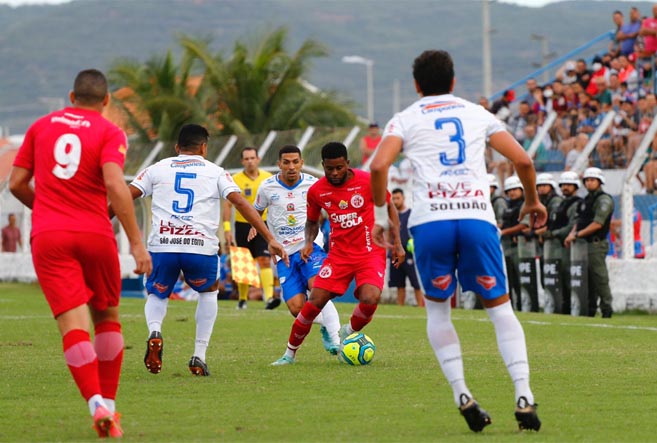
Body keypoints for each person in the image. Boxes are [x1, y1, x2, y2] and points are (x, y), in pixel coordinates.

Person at [369, 50, 546, 433]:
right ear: (453, 81)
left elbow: (379, 166)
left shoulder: (405, 119)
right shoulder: (477, 113)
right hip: (476, 218)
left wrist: (385, 218)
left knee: (438, 311)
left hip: (431, 222)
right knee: (500, 310)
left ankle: (462, 393)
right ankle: (524, 395)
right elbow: (524, 162)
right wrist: (532, 200)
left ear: (417, 85)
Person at [8, 69, 152, 438]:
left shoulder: (41, 127)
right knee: (106, 318)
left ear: (72, 96)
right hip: (94, 234)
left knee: (74, 327)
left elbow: (16, 183)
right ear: (106, 101)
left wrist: (45, 210)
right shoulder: (109, 132)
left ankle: (95, 405)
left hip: (50, 236)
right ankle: (113, 406)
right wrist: (136, 242)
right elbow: (114, 184)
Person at [120, 124, 288, 376]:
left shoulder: (156, 168)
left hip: (163, 245)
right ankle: (198, 355)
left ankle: (155, 331)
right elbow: (240, 202)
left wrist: (97, 217)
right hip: (199, 247)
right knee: (208, 294)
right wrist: (269, 237)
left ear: (177, 148)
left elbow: (124, 196)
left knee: (157, 294)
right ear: (204, 148)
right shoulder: (216, 172)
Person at [271, 141, 404, 365]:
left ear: (347, 164)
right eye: (329, 168)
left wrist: (398, 243)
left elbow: (390, 207)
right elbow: (312, 222)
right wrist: (308, 242)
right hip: (339, 256)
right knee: (314, 302)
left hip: (370, 251)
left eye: (339, 168)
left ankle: (348, 331)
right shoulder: (317, 191)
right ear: (323, 165)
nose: (334, 173)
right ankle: (289, 354)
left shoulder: (367, 181)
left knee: (370, 297)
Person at [252, 144, 341, 354]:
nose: (291, 166)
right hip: (283, 254)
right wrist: (259, 231)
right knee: (296, 308)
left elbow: (332, 208)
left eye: (295, 162)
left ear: (301, 163)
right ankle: (326, 327)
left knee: (319, 289)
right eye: (286, 162)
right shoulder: (266, 187)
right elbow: (256, 212)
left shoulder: (314, 184)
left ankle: (338, 341)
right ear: (279, 164)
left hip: (310, 246)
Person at [223, 147, 279, 310]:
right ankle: (242, 299)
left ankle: (268, 298)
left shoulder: (268, 178)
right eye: (246, 159)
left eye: (252, 158)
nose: (250, 161)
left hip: (263, 224)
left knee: (264, 260)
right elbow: (227, 205)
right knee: (244, 263)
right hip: (242, 225)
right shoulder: (235, 179)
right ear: (242, 161)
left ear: (258, 159)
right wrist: (227, 229)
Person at [565, 167, 614, 318]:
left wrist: (577, 234)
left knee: (599, 278)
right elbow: (579, 221)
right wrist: (572, 234)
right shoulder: (586, 200)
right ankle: (590, 309)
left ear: (600, 182)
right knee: (587, 280)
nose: (589, 182)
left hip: (596, 244)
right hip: (583, 245)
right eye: (587, 180)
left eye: (592, 180)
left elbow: (598, 224)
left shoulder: (603, 199)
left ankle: (606, 309)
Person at [536, 171, 582, 315]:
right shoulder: (562, 203)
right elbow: (554, 223)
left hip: (566, 247)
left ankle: (568, 308)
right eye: (564, 185)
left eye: (569, 185)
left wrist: (552, 234)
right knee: (556, 279)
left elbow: (571, 225)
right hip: (554, 247)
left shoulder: (575, 203)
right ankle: (561, 308)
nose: (566, 188)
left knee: (568, 278)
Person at [388, 188, 424, 307]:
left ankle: (420, 306)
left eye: (398, 198)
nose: (395, 201)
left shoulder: (411, 214)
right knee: (399, 283)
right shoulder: (391, 216)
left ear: (403, 198)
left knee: (416, 282)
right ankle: (400, 307)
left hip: (409, 253)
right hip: (395, 253)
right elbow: (388, 233)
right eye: (393, 199)